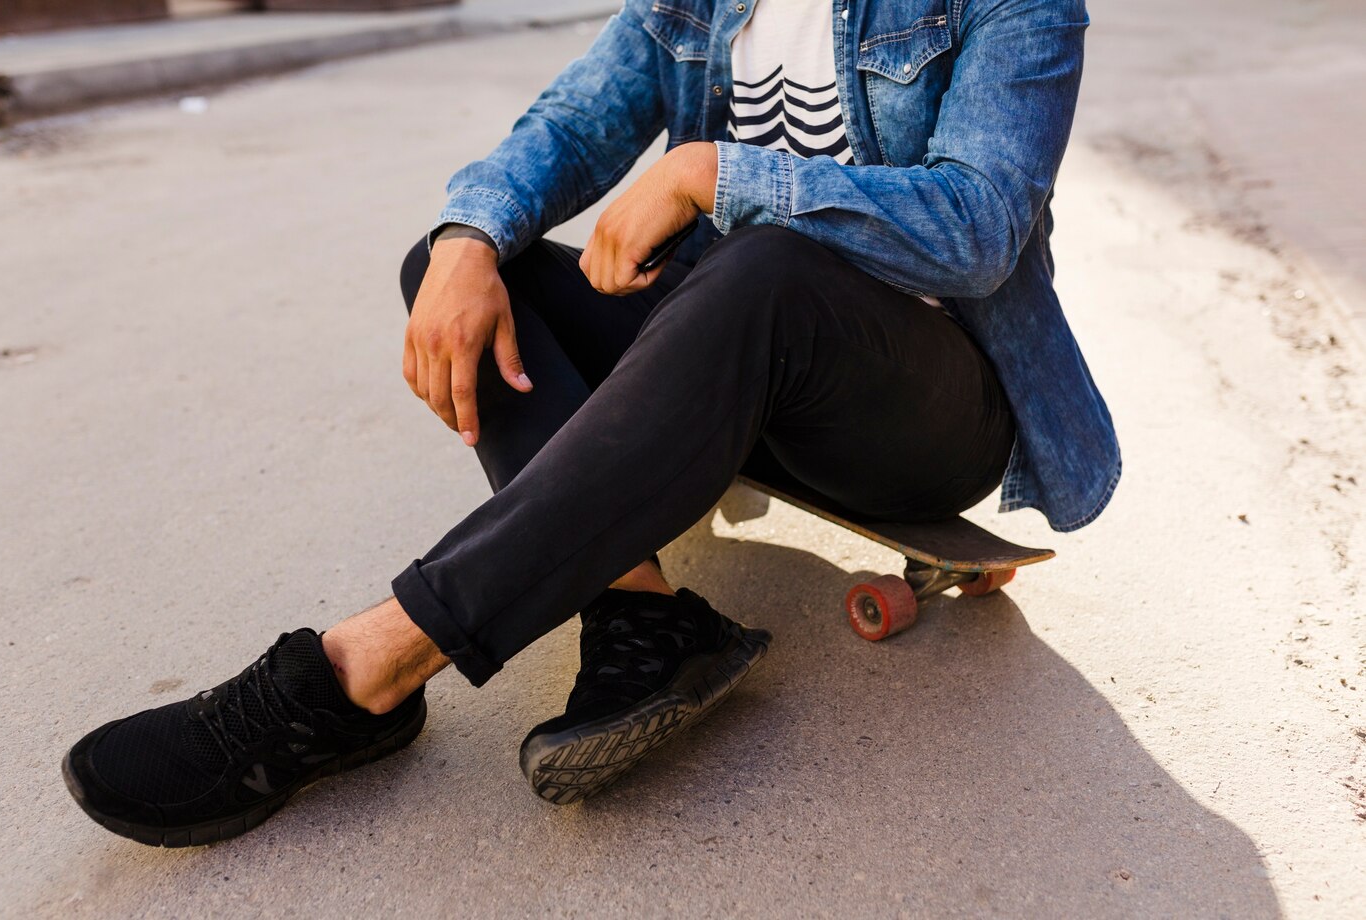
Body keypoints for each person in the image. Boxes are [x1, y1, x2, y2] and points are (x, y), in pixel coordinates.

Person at [62, 0, 1119, 847]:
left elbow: (980, 228)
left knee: (768, 268)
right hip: (727, 373)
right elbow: (569, 126)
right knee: (469, 279)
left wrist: (716, 173)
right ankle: (645, 616)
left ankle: (364, 666)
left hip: (920, 413)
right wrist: (468, 236)